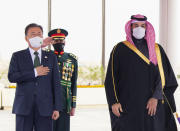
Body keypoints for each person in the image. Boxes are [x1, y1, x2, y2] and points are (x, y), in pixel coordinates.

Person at [105, 14, 178, 131]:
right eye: (136, 25)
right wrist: (114, 102)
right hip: (127, 105)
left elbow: (163, 76)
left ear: (147, 28)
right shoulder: (119, 49)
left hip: (153, 105)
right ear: (130, 27)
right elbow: (111, 78)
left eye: (143, 26)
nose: (140, 28)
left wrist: (156, 97)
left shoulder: (157, 49)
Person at [8, 23, 62, 131]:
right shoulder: (17, 56)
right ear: (26, 38)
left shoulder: (51, 57)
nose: (36, 36)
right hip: (23, 107)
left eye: (39, 34)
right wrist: (34, 72)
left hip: (45, 108)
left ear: (42, 37)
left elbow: (56, 83)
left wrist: (57, 108)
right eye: (33, 34)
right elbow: (12, 77)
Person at [46, 28, 78, 131]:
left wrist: (73, 105)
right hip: (48, 99)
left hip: (65, 100)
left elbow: (73, 83)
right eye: (56, 41)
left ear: (65, 41)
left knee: (63, 128)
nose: (59, 43)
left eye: (61, 40)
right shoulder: (46, 56)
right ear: (52, 42)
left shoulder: (72, 59)